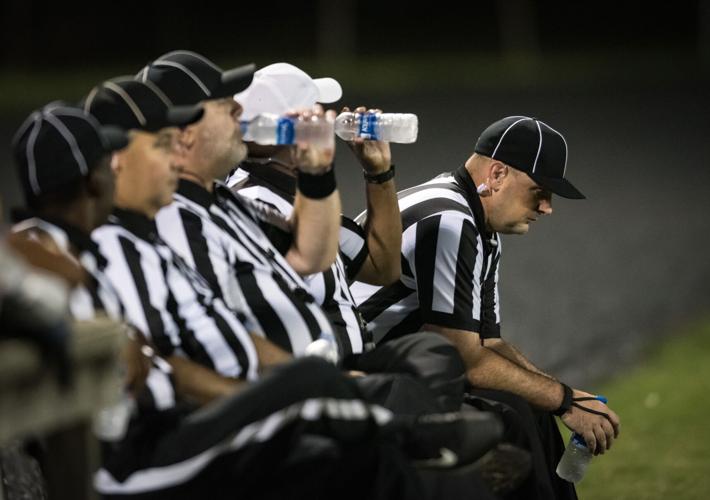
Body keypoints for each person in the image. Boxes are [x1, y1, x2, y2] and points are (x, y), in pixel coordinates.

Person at [78, 74, 503, 500]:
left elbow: (364, 263)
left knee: (410, 370)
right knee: (361, 438)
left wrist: (363, 174)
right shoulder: (154, 230)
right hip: (172, 444)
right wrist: (283, 389)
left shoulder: (223, 204)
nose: (323, 120)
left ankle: (421, 443)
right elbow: (168, 359)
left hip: (273, 383)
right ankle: (424, 445)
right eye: (160, 142)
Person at [352, 115, 621, 499]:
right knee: (509, 419)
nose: (547, 208)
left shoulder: (477, 224)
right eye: (539, 191)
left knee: (532, 407)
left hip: (392, 371)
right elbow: (465, 358)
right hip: (354, 379)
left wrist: (564, 396)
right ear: (496, 174)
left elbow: (488, 344)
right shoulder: (451, 219)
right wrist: (563, 401)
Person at [228, 62, 466, 414]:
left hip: (353, 367)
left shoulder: (295, 194)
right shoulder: (257, 206)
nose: (327, 120)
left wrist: (378, 172)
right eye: (316, 112)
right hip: (319, 382)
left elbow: (382, 266)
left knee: (435, 357)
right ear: (289, 129)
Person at [136, 50, 341, 356]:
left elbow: (311, 256)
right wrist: (315, 377)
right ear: (186, 133)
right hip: (278, 392)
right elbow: (215, 341)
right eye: (222, 103)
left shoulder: (223, 200)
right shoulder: (173, 219)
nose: (237, 108)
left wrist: (316, 174)